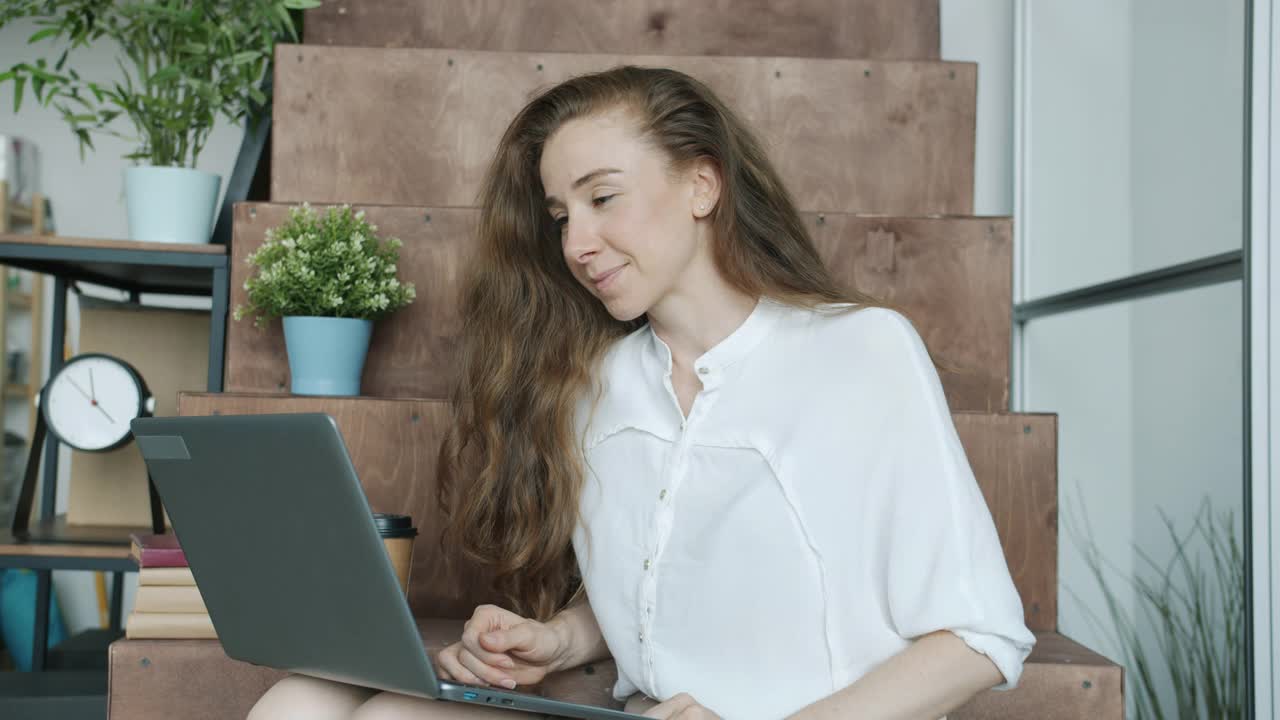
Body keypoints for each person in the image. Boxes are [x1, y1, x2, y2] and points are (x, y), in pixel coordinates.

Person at [248, 65, 1035, 720]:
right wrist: (559, 639)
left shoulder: (859, 350)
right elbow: (672, 587)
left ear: (702, 185)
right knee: (304, 701)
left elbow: (979, 638)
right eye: (561, 215)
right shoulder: (597, 383)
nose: (577, 244)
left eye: (602, 198)